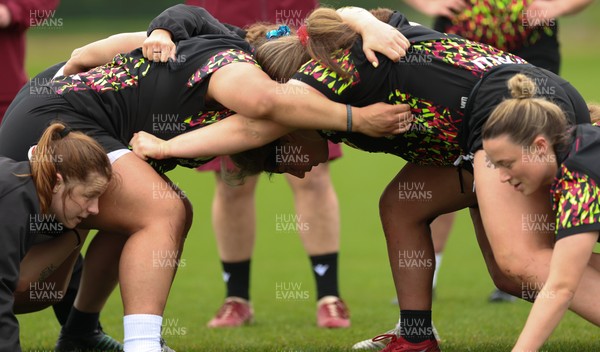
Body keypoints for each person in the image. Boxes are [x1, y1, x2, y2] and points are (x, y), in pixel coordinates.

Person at [130, 6, 600, 352]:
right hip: (521, 102)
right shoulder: (341, 46)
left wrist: (166, 146)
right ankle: (415, 337)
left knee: (522, 260)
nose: (294, 167)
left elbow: (257, 119)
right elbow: (197, 17)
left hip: (504, 114)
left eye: (282, 155)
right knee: (407, 206)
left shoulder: (316, 79)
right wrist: (160, 33)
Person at [0, 8, 408, 351]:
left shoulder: (236, 70)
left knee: (41, 289)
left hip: (53, 113)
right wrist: (356, 119)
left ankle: (80, 333)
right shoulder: (239, 68)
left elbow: (266, 125)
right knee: (163, 210)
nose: (310, 162)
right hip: (59, 122)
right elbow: (266, 103)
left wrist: (370, 26)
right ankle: (142, 345)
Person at [403, 0, 595, 304]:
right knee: (445, 158)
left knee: (532, 156)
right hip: (461, 44)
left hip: (530, 41)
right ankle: (438, 274)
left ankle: (532, 263)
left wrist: (558, 7)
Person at [185, 0, 350, 329]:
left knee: (312, 174)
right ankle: (236, 299)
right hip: (226, 22)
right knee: (232, 178)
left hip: (297, 28)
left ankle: (329, 297)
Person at [482, 74, 600, 352]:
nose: (501, 177)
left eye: (506, 163)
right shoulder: (579, 144)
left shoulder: (579, 180)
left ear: (539, 147)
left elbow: (560, 288)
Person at [0, 122, 112, 352]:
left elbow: (70, 277)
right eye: (89, 196)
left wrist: (82, 335)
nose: (95, 209)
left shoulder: (31, 192)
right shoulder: (17, 198)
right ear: (57, 182)